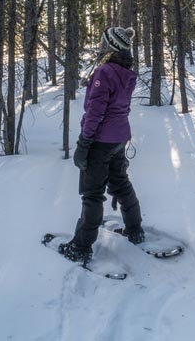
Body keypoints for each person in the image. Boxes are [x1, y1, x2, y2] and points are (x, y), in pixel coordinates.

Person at [60, 26, 144, 263]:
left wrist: (84, 142)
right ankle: (135, 230)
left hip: (101, 140)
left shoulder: (105, 72)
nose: (99, 47)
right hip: (119, 138)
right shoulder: (126, 71)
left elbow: (96, 111)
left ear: (111, 47)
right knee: (120, 183)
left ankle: (81, 246)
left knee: (92, 193)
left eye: (103, 43)